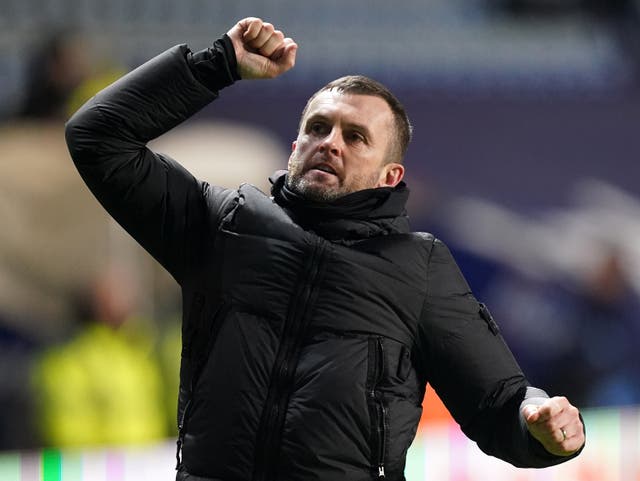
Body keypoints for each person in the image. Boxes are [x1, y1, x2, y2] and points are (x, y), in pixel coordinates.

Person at [65, 17, 585, 481]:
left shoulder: (420, 267)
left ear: (391, 175)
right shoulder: (223, 224)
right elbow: (97, 138)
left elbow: (498, 404)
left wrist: (540, 423)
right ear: (295, 148)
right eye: (318, 128)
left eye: (356, 137)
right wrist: (217, 64)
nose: (330, 142)